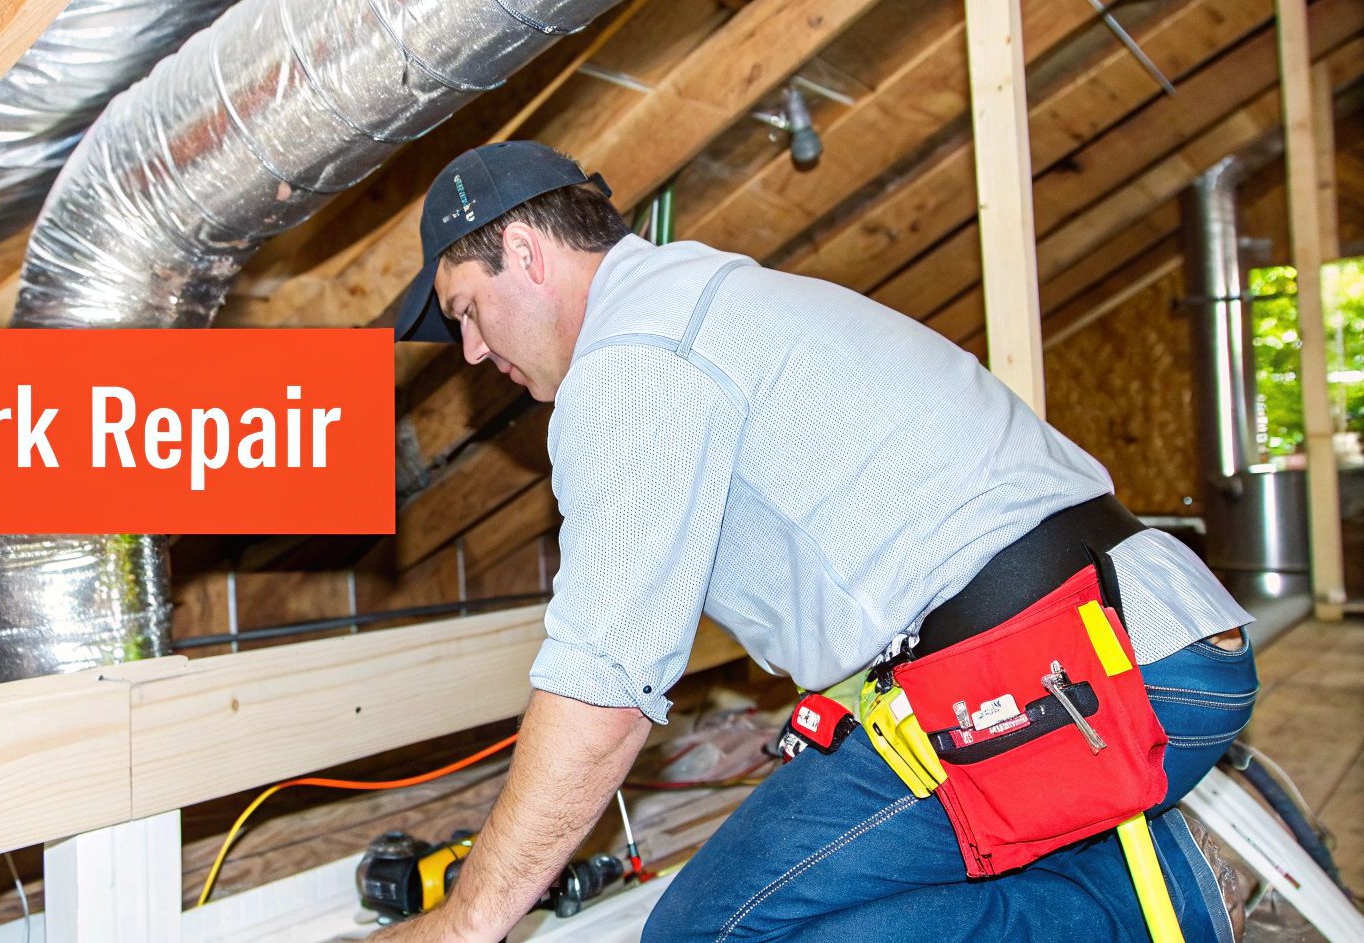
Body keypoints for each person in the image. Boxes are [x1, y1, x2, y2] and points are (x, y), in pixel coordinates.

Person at [374, 140, 1258, 943]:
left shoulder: (635, 359)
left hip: (1075, 682)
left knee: (714, 937)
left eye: (467, 310)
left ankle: (1148, 903)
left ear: (525, 252)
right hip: (1135, 643)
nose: (472, 351)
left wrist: (464, 923)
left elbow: (603, 687)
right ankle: (1142, 868)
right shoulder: (700, 296)